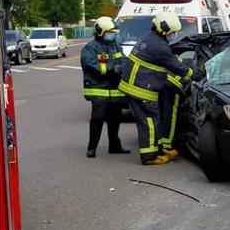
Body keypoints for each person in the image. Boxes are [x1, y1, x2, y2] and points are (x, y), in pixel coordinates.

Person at [119, 12, 194, 164]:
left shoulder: (150, 39)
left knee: (154, 120)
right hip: (141, 89)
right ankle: (149, 157)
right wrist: (195, 73)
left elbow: (166, 61)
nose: (175, 35)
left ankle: (158, 149)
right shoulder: (159, 46)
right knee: (149, 122)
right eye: (173, 32)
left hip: (138, 86)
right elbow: (179, 68)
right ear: (165, 30)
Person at [80, 16, 130, 158]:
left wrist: (125, 66)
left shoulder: (115, 44)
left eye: (113, 32)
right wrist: (112, 68)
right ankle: (92, 147)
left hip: (115, 89)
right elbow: (91, 65)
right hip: (99, 88)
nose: (112, 34)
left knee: (115, 118)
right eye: (109, 32)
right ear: (100, 31)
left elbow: (123, 59)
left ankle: (114, 145)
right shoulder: (90, 48)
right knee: (98, 118)